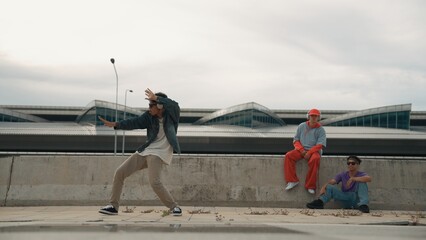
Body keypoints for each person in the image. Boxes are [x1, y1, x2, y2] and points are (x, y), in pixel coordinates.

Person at [98, 88, 182, 216]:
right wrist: (116, 124)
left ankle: (174, 207)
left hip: (159, 153)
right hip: (146, 151)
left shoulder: (172, 116)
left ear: (160, 106)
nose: (149, 108)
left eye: (151, 105)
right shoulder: (149, 117)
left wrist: (157, 98)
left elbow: (174, 105)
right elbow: (134, 122)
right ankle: (113, 206)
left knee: (154, 182)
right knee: (120, 172)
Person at [306, 155, 372, 213]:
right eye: (348, 163)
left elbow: (369, 179)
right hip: (345, 198)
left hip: (356, 200)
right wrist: (324, 186)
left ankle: (363, 205)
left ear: (357, 165)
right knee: (329, 186)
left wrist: (353, 178)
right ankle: (320, 202)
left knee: (362, 182)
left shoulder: (361, 174)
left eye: (353, 163)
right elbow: (332, 181)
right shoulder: (343, 174)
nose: (350, 165)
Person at [284, 108, 326, 194]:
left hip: (314, 151)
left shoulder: (321, 130)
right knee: (289, 155)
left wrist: (309, 152)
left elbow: (320, 145)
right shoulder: (301, 126)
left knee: (315, 160)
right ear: (308, 116)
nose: (313, 118)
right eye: (312, 116)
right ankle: (292, 181)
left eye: (316, 116)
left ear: (319, 118)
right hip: (301, 150)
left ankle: (310, 186)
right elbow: (296, 140)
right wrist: (302, 151)